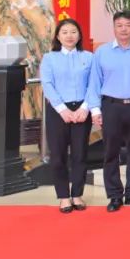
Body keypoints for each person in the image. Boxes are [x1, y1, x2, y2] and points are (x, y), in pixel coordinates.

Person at [86, 10, 130, 212]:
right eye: (120, 25)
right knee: (110, 152)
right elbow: (94, 82)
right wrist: (95, 110)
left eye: (128, 25)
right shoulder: (102, 52)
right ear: (114, 28)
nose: (124, 29)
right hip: (111, 106)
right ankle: (114, 195)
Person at [40, 18, 94, 212]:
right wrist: (62, 109)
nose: (69, 36)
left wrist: (85, 108)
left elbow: (94, 84)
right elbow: (47, 84)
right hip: (58, 111)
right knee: (58, 155)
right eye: (64, 32)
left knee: (80, 154)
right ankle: (63, 196)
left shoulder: (89, 57)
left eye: (73, 32)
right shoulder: (49, 58)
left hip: (82, 110)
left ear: (79, 35)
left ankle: (77, 194)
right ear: (58, 36)